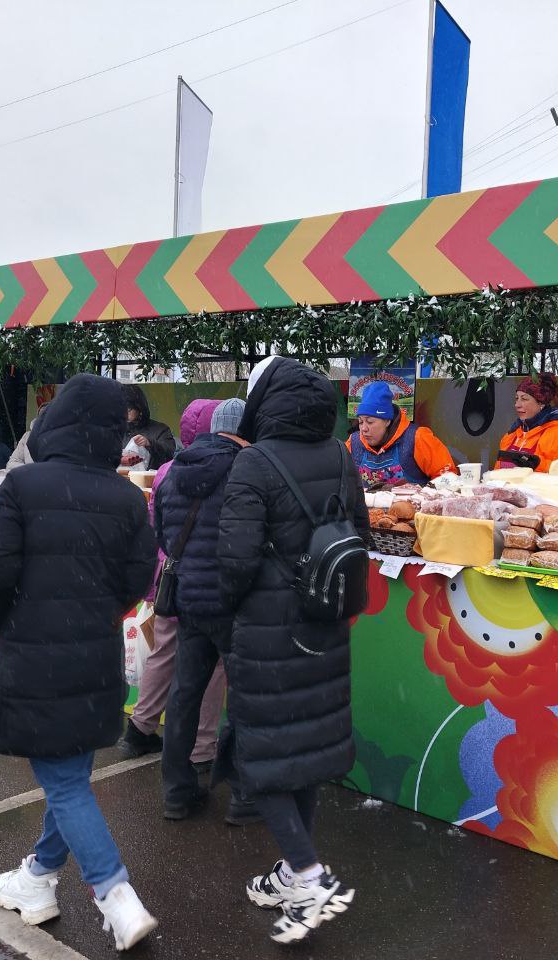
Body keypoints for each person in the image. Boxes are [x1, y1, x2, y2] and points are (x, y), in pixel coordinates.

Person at [0, 374, 160, 951]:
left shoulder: (23, 486)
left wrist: (3, 621)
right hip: (97, 652)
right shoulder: (129, 496)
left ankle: (116, 896)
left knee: (63, 780)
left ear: (56, 422)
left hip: (34, 653)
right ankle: (38, 878)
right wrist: (103, 611)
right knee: (70, 775)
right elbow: (141, 575)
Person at [220, 356, 368, 944]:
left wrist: (227, 609)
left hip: (268, 630)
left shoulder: (252, 462)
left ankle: (309, 875)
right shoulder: (340, 455)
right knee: (304, 749)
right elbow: (358, 528)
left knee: (264, 754)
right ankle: (289, 872)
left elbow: (234, 559)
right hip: (325, 620)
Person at [156, 397, 259, 826]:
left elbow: (162, 533)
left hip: (190, 600)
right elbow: (256, 538)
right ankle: (242, 796)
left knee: (184, 694)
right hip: (236, 601)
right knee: (246, 698)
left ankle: (177, 792)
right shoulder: (248, 470)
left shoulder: (176, 469)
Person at [120, 398, 227, 768]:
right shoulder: (230, 467)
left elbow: (158, 529)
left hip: (171, 576)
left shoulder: (167, 470)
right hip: (208, 582)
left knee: (164, 653)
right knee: (212, 666)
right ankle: (201, 747)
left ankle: (140, 727)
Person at [346, 380, 455, 487]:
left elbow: (448, 478)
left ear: (387, 421)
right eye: (360, 422)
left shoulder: (418, 438)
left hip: (411, 504)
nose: (364, 428)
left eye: (370, 422)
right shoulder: (353, 443)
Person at [495, 371, 558, 473]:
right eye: (516, 398)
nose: (517, 405)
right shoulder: (513, 434)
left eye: (524, 399)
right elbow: (498, 471)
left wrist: (536, 464)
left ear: (541, 403)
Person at [122, 384, 177, 469]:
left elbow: (170, 454)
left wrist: (150, 444)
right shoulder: (115, 429)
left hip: (151, 479)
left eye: (128, 410)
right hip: (120, 479)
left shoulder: (160, 430)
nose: (124, 413)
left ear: (139, 407)